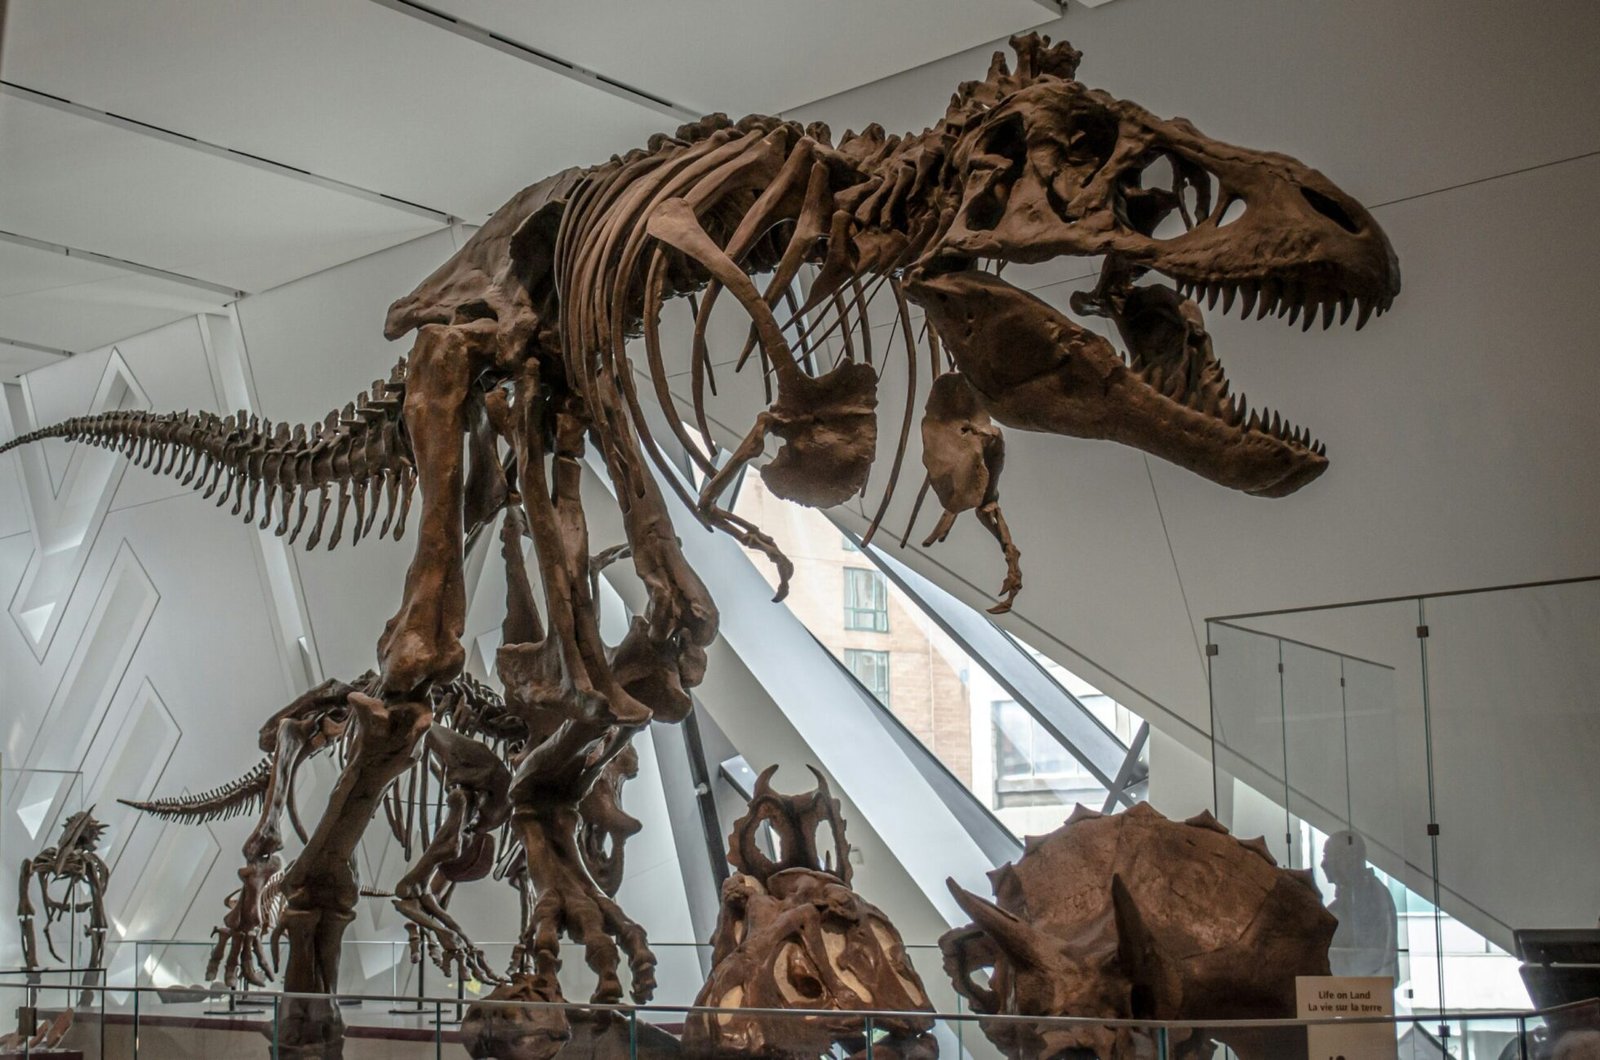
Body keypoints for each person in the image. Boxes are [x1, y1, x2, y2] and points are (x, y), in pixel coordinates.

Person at [1322, 830, 1399, 981]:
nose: (1323, 864)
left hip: (1362, 994)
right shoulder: (1359, 894)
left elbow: (1367, 960)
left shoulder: (1370, 897)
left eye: (1326, 856)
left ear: (1346, 859)